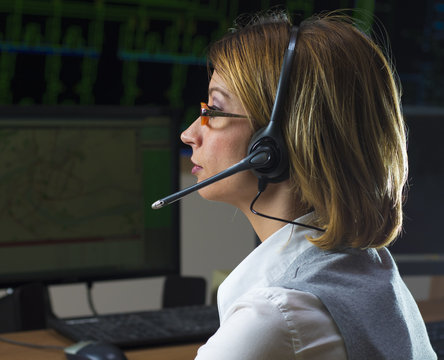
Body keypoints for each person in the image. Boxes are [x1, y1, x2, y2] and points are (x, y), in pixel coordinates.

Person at [180, 9, 436, 360]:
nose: (190, 133)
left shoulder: (276, 318)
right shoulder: (370, 270)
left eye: (214, 110)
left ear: (273, 143)